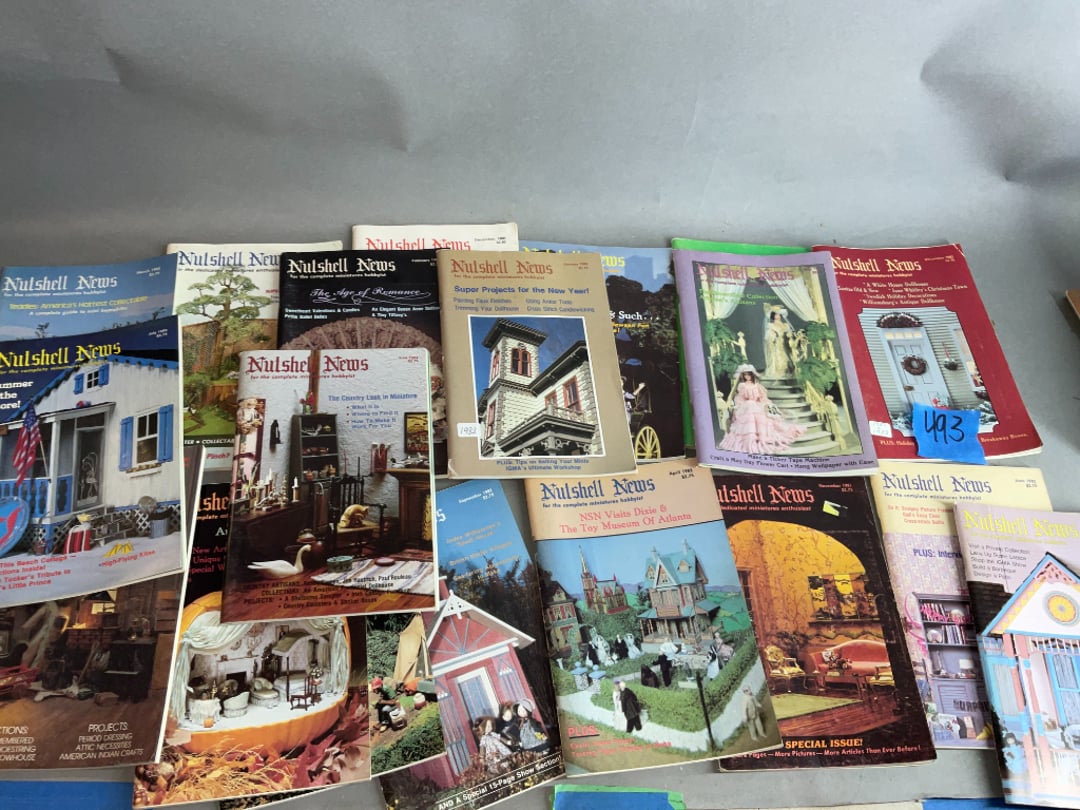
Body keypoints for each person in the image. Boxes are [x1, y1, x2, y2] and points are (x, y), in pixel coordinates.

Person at [719, 365, 805, 454]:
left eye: (749, 374)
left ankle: (762, 435)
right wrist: (739, 406)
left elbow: (763, 398)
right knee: (750, 410)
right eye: (745, 375)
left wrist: (765, 403)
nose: (747, 377)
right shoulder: (742, 386)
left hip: (757, 405)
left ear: (752, 375)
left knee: (762, 414)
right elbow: (739, 398)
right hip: (747, 406)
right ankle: (751, 437)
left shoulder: (757, 386)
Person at [763, 309, 795, 378]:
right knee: (779, 357)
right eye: (776, 315)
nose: (778, 316)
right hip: (777, 344)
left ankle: (788, 370)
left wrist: (788, 335)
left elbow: (789, 333)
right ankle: (780, 372)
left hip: (786, 343)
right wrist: (774, 336)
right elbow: (769, 336)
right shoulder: (771, 325)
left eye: (779, 315)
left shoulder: (785, 325)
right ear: (773, 316)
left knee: (788, 357)